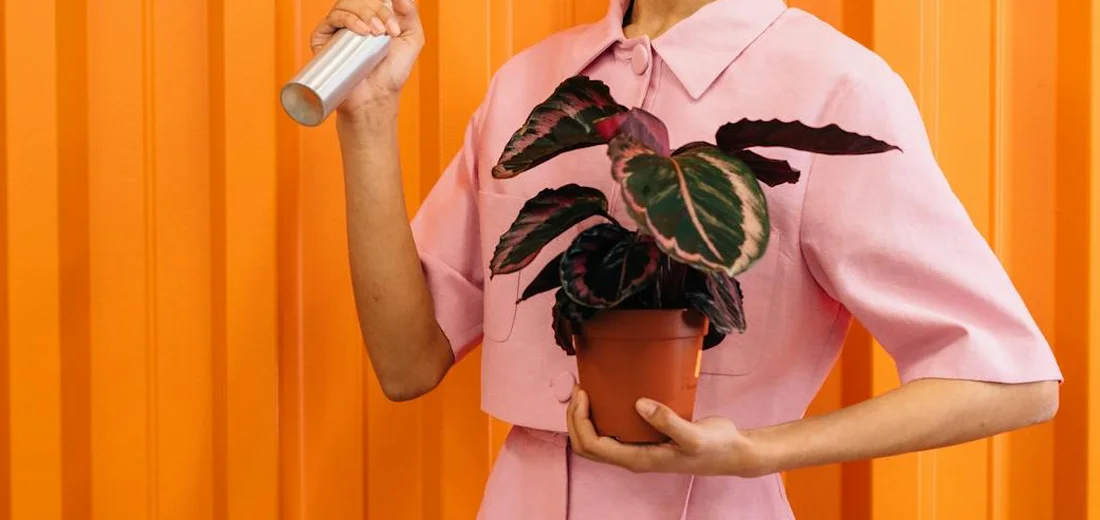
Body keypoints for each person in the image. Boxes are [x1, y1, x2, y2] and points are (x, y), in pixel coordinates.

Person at [312, 0, 1063, 517]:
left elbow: (1008, 380)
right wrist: (369, 117)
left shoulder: (834, 85)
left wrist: (756, 451)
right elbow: (407, 362)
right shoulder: (533, 87)